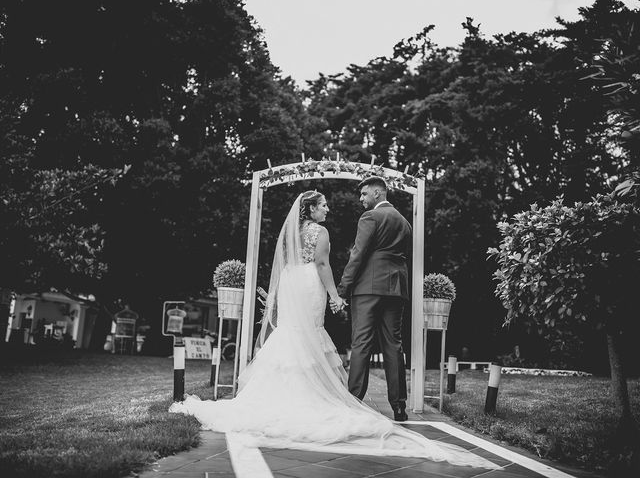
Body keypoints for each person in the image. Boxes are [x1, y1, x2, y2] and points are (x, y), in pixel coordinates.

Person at [169, 190, 497, 468]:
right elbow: (323, 265)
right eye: (323, 204)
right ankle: (309, 395)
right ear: (310, 209)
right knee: (309, 334)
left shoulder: (288, 233)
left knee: (289, 334)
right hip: (310, 283)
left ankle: (278, 396)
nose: (328, 208)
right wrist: (335, 295)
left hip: (289, 285)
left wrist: (278, 296)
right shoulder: (319, 233)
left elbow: (281, 267)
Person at [337, 176, 411, 422]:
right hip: (396, 287)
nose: (361, 199)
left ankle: (354, 401)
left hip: (368, 287)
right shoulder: (404, 222)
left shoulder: (370, 217)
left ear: (378, 193)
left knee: (361, 343)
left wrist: (343, 288)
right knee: (394, 345)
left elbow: (357, 254)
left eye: (364, 194)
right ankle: (399, 407)